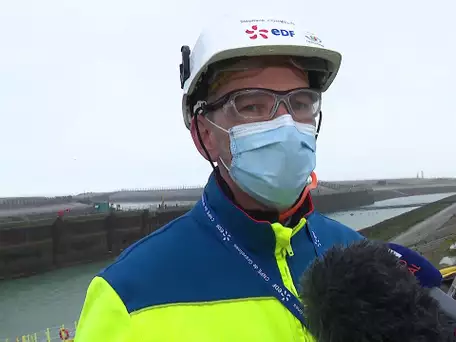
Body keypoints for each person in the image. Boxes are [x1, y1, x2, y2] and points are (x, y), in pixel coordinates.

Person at [74, 14, 364, 341]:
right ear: (205, 133)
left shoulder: (361, 256)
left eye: (300, 104)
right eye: (253, 106)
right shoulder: (129, 296)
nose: (286, 124)